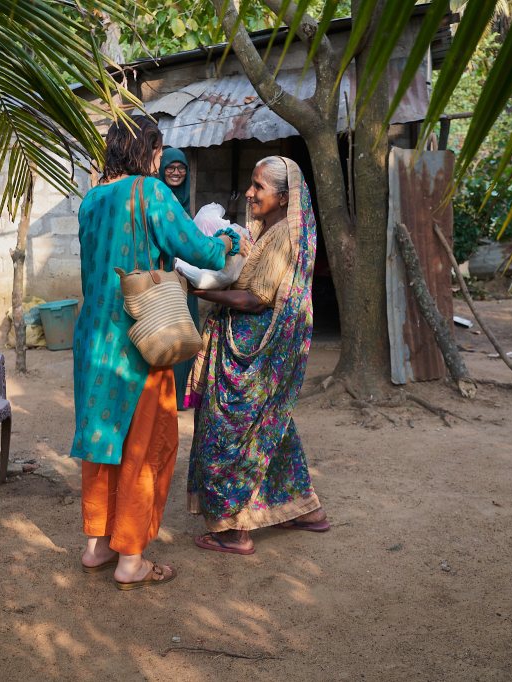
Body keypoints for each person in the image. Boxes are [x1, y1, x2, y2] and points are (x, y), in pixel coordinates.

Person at [72, 116, 241, 588]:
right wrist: (230, 239)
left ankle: (97, 545)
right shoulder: (150, 192)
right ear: (145, 151)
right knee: (144, 444)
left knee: (102, 439)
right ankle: (131, 558)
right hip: (141, 337)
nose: (161, 159)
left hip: (93, 340)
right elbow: (202, 252)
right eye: (158, 150)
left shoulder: (91, 200)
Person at [186, 156, 328, 555]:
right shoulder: (272, 230)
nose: (249, 193)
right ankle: (304, 509)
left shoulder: (283, 237)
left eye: (258, 186)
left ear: (283, 197)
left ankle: (233, 530)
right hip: (253, 351)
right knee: (270, 424)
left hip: (251, 354)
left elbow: (255, 299)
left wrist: (202, 291)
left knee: (229, 430)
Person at [159, 147, 199, 410]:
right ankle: (164, 396)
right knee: (165, 336)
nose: (176, 172)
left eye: (181, 168)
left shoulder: (186, 206)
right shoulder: (158, 202)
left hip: (185, 281)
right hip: (163, 281)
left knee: (186, 334)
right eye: (170, 167)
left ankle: (182, 395)